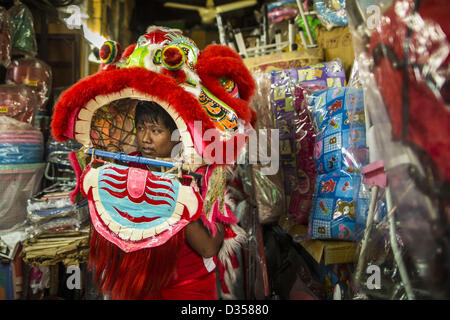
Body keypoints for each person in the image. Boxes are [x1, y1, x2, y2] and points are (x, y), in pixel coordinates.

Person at [128, 100, 225, 299]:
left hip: (188, 284)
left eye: (155, 131)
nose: (145, 138)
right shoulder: (129, 166)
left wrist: (174, 192)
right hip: (141, 282)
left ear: (177, 135)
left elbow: (208, 247)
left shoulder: (204, 174)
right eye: (140, 128)